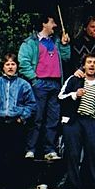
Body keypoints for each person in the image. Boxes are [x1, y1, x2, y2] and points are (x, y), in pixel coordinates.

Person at [18, 14, 71, 160]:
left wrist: (65, 45)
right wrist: (34, 80)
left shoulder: (56, 41)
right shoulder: (30, 43)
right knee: (37, 118)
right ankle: (31, 149)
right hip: (40, 83)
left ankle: (50, 150)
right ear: (44, 24)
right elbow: (23, 63)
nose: (55, 25)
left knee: (53, 119)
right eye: (52, 22)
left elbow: (66, 58)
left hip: (55, 84)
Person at [0, 54, 35, 189]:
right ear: (3, 67)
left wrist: (22, 117)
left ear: (17, 66)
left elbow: (31, 104)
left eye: (13, 64)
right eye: (7, 64)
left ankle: (13, 187)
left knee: (15, 155)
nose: (10, 67)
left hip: (16, 123)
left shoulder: (23, 84)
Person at [57, 53, 95, 189]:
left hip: (92, 120)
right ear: (83, 65)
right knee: (73, 154)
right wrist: (74, 94)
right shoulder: (74, 79)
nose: (92, 65)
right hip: (74, 120)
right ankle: (74, 188)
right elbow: (60, 97)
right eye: (89, 62)